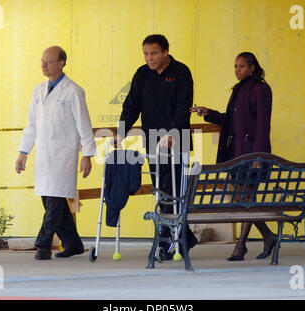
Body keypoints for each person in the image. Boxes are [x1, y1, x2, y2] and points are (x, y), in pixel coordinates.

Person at [114, 34, 198, 258]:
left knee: (174, 193)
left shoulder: (181, 72)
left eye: (153, 53)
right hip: (152, 142)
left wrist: (171, 134)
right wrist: (121, 132)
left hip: (176, 141)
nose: (149, 58)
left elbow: (183, 107)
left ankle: (172, 241)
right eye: (146, 53)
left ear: (165, 52)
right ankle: (183, 237)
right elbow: (131, 104)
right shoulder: (142, 74)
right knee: (161, 191)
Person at [190, 52, 276, 261]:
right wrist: (208, 113)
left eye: (242, 67)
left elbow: (263, 125)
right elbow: (230, 121)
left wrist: (258, 156)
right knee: (242, 200)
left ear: (252, 68)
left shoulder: (261, 89)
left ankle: (240, 245)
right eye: (236, 67)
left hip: (251, 154)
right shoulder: (238, 90)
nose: (238, 70)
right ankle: (268, 235)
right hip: (234, 153)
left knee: (245, 199)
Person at [15, 46, 96, 260]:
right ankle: (73, 243)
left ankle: (43, 245)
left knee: (53, 202)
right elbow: (31, 125)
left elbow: (84, 125)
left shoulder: (73, 91)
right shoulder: (38, 90)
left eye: (48, 61)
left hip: (63, 156)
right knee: (54, 201)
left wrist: (87, 155)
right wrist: (23, 152)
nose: (43, 65)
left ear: (61, 63)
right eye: (42, 61)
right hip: (43, 156)